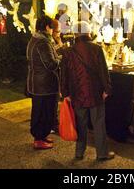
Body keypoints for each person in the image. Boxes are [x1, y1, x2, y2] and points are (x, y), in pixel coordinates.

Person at [61, 21, 115, 161]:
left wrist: (65, 93)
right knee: (98, 124)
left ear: (75, 34)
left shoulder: (68, 52)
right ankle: (102, 153)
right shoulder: (96, 49)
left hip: (76, 94)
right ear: (88, 32)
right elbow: (103, 71)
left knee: (80, 124)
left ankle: (79, 152)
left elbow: (64, 75)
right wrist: (107, 89)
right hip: (95, 92)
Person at [26, 15, 61, 150]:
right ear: (47, 27)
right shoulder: (43, 42)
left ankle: (41, 136)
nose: (53, 31)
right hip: (44, 85)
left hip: (38, 83)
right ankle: (39, 138)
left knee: (41, 111)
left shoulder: (36, 39)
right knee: (44, 112)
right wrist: (61, 60)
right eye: (53, 28)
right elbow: (51, 64)